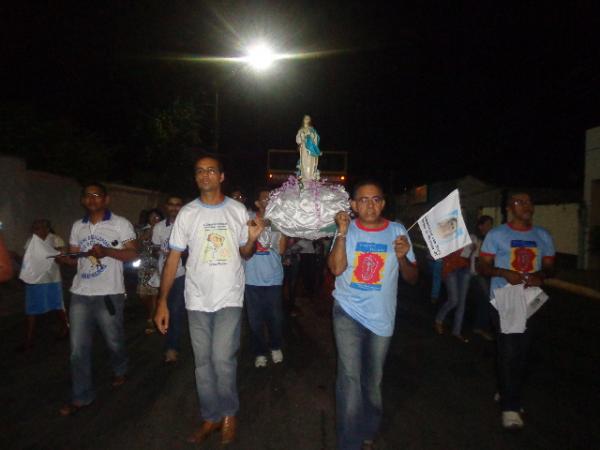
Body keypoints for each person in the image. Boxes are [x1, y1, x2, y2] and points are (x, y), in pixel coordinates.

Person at [154, 155, 265, 446]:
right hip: (196, 298)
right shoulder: (187, 214)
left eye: (211, 170)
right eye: (200, 171)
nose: (205, 175)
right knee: (202, 363)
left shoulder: (237, 210)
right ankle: (211, 416)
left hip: (229, 295)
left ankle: (229, 414)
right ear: (196, 178)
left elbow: (245, 253)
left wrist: (251, 239)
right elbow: (173, 259)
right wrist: (162, 302)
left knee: (222, 359)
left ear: (221, 176)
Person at [328, 179, 418, 450]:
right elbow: (335, 269)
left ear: (383, 203)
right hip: (347, 312)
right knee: (350, 378)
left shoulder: (397, 231)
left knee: (373, 379)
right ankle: (349, 441)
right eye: (363, 200)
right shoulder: (346, 229)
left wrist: (403, 257)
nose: (370, 205)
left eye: (376, 199)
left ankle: (368, 429)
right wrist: (342, 233)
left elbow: (412, 278)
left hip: (381, 317)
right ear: (353, 205)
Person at [57, 182, 138, 416]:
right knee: (77, 349)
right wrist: (65, 258)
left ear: (106, 199)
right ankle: (82, 396)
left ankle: (120, 368)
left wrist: (108, 252)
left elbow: (132, 253)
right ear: (82, 200)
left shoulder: (120, 224)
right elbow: (76, 257)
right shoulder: (77, 226)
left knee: (114, 339)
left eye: (97, 195)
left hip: (109, 293)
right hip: (80, 293)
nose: (92, 199)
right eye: (87, 196)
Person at [479, 192, 555, 430]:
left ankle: (507, 390)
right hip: (506, 300)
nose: (527, 206)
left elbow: (551, 268)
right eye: (520, 202)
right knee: (509, 351)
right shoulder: (497, 235)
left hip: (530, 301)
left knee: (524, 353)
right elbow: (481, 266)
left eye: (529, 201)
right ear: (510, 207)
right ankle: (510, 407)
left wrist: (540, 276)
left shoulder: (542, 235)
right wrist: (504, 273)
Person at [244, 187, 287, 368]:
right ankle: (260, 351)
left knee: (275, 318)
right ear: (256, 203)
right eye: (264, 198)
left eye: (271, 198)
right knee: (255, 320)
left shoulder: (280, 222)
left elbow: (282, 250)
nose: (268, 201)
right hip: (251, 279)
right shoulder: (248, 220)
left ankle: (275, 346)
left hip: (273, 279)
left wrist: (282, 227)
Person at [18, 220, 69, 351]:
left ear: (47, 228)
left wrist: (54, 253)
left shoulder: (55, 239)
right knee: (31, 309)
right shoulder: (31, 241)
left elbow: (60, 259)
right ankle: (28, 339)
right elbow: (28, 260)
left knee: (57, 306)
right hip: (35, 279)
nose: (36, 230)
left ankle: (66, 327)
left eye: (39, 227)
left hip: (52, 279)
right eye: (34, 228)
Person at [151, 196, 185, 363]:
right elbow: (156, 249)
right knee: (168, 308)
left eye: (177, 205)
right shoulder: (158, 227)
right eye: (171, 205)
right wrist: (163, 253)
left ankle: (172, 347)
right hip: (163, 274)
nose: (174, 208)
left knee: (176, 309)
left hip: (181, 273)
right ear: (166, 207)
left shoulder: (186, 225)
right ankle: (172, 338)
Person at [434, 243, 474, 343]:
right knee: (454, 300)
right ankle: (438, 319)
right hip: (450, 267)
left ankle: (457, 331)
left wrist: (473, 250)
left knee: (462, 302)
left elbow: (472, 255)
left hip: (465, 268)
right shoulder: (448, 234)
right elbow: (440, 252)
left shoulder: (470, 236)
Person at [136, 208, 164, 334]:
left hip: (157, 265)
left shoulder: (164, 229)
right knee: (142, 294)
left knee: (153, 294)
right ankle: (152, 311)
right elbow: (138, 243)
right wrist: (151, 229)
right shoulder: (142, 229)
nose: (155, 219)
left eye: (157, 217)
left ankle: (150, 319)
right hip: (144, 265)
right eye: (152, 217)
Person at [470, 215, 494, 341]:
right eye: (488, 224)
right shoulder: (475, 239)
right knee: (488, 300)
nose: (490, 227)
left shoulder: (491, 239)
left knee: (484, 301)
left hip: (489, 273)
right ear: (480, 226)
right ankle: (481, 327)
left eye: (491, 224)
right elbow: (468, 255)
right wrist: (471, 249)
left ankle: (479, 326)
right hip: (479, 274)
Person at [296, 114, 321, 181]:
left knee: (311, 162)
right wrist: (302, 138)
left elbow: (316, 138)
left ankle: (310, 177)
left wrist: (311, 136)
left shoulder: (312, 129)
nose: (307, 120)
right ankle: (304, 177)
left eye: (308, 118)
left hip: (311, 148)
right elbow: (298, 140)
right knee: (304, 162)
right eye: (305, 118)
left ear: (310, 120)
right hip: (304, 148)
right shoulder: (301, 130)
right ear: (303, 120)